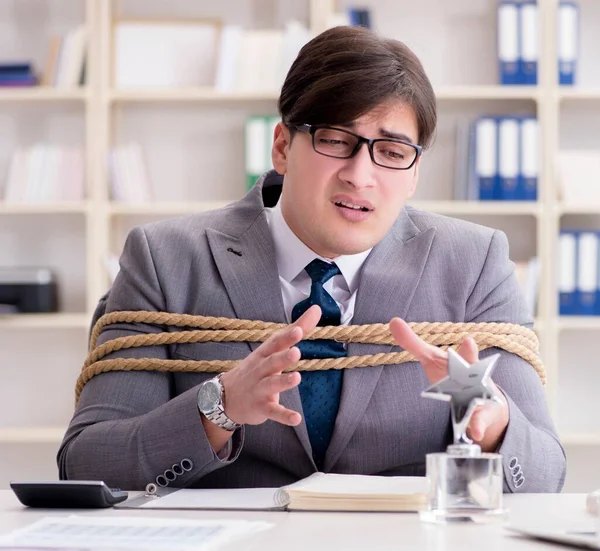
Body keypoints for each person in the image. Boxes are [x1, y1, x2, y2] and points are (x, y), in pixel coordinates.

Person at [57, 25, 565, 492]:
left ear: (413, 173)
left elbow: (545, 477)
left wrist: (493, 426)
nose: (360, 175)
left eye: (390, 152)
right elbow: (88, 464)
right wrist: (219, 407)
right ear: (282, 146)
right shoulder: (166, 259)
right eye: (337, 141)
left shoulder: (474, 265)